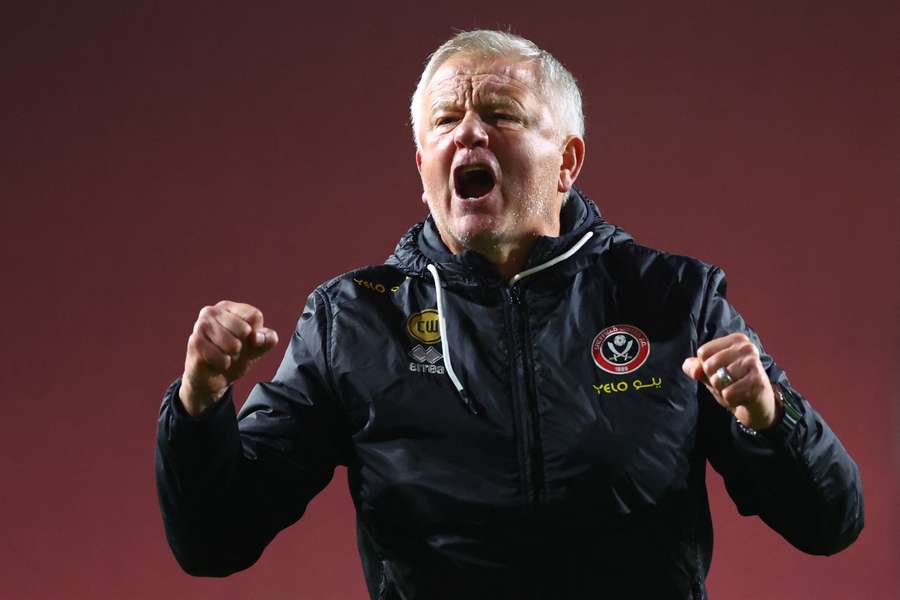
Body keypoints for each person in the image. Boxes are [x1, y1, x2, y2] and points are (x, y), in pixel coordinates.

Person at [155, 30, 863, 599]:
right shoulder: (353, 321)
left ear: (568, 161)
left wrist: (772, 421)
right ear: (423, 163)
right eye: (445, 121)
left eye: (500, 115)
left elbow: (832, 522)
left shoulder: (675, 299)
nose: (469, 135)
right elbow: (214, 541)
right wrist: (201, 401)